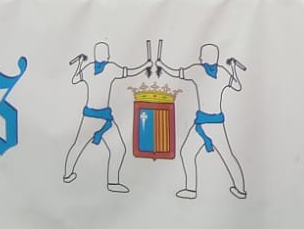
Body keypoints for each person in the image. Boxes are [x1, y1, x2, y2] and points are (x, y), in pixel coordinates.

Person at [157, 43, 247, 200]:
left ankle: (195, 190)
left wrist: (161, 65)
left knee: (219, 155)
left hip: (208, 122)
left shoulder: (197, 70)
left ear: (203, 57)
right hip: (210, 122)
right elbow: (238, 86)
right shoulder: (222, 72)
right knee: (190, 153)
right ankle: (236, 189)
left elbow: (176, 73)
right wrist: (232, 70)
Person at [63, 42, 150, 192]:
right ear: (108, 55)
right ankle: (111, 182)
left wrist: (80, 64)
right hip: (99, 116)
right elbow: (129, 71)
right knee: (114, 148)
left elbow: (75, 79)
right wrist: (146, 65)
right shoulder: (110, 68)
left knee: (86, 146)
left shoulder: (90, 67)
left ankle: (68, 175)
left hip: (95, 116)